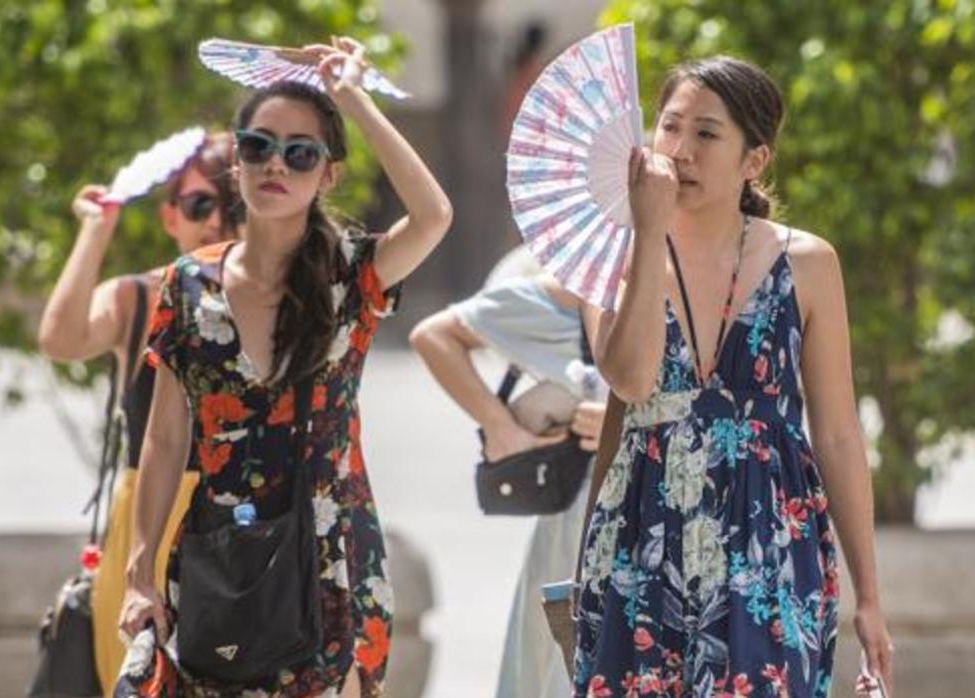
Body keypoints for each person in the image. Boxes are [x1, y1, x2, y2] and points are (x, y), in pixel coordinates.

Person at [115, 37, 451, 697]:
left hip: (333, 552)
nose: (276, 165)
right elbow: (164, 438)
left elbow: (435, 214)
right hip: (220, 553)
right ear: (236, 160)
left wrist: (352, 97)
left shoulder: (352, 272)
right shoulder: (188, 285)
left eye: (301, 153)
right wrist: (139, 568)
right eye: (257, 146)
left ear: (327, 174)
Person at [571, 56, 895, 696]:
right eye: (669, 128)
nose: (680, 151)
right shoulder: (611, 253)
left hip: (769, 541)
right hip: (641, 537)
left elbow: (834, 433)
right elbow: (630, 385)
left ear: (755, 160)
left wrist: (870, 596)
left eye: (706, 134)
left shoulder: (808, 262)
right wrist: (647, 232)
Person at [36, 131, 238, 696]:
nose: (216, 220)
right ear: (171, 216)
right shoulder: (140, 297)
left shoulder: (272, 300)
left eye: (232, 205)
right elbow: (61, 339)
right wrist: (96, 229)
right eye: (200, 204)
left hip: (238, 524)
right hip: (147, 520)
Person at [409, 247, 606, 698]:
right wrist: (500, 428)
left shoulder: (712, 299)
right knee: (561, 672)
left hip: (675, 521)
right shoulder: (569, 298)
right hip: (577, 531)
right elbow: (434, 336)